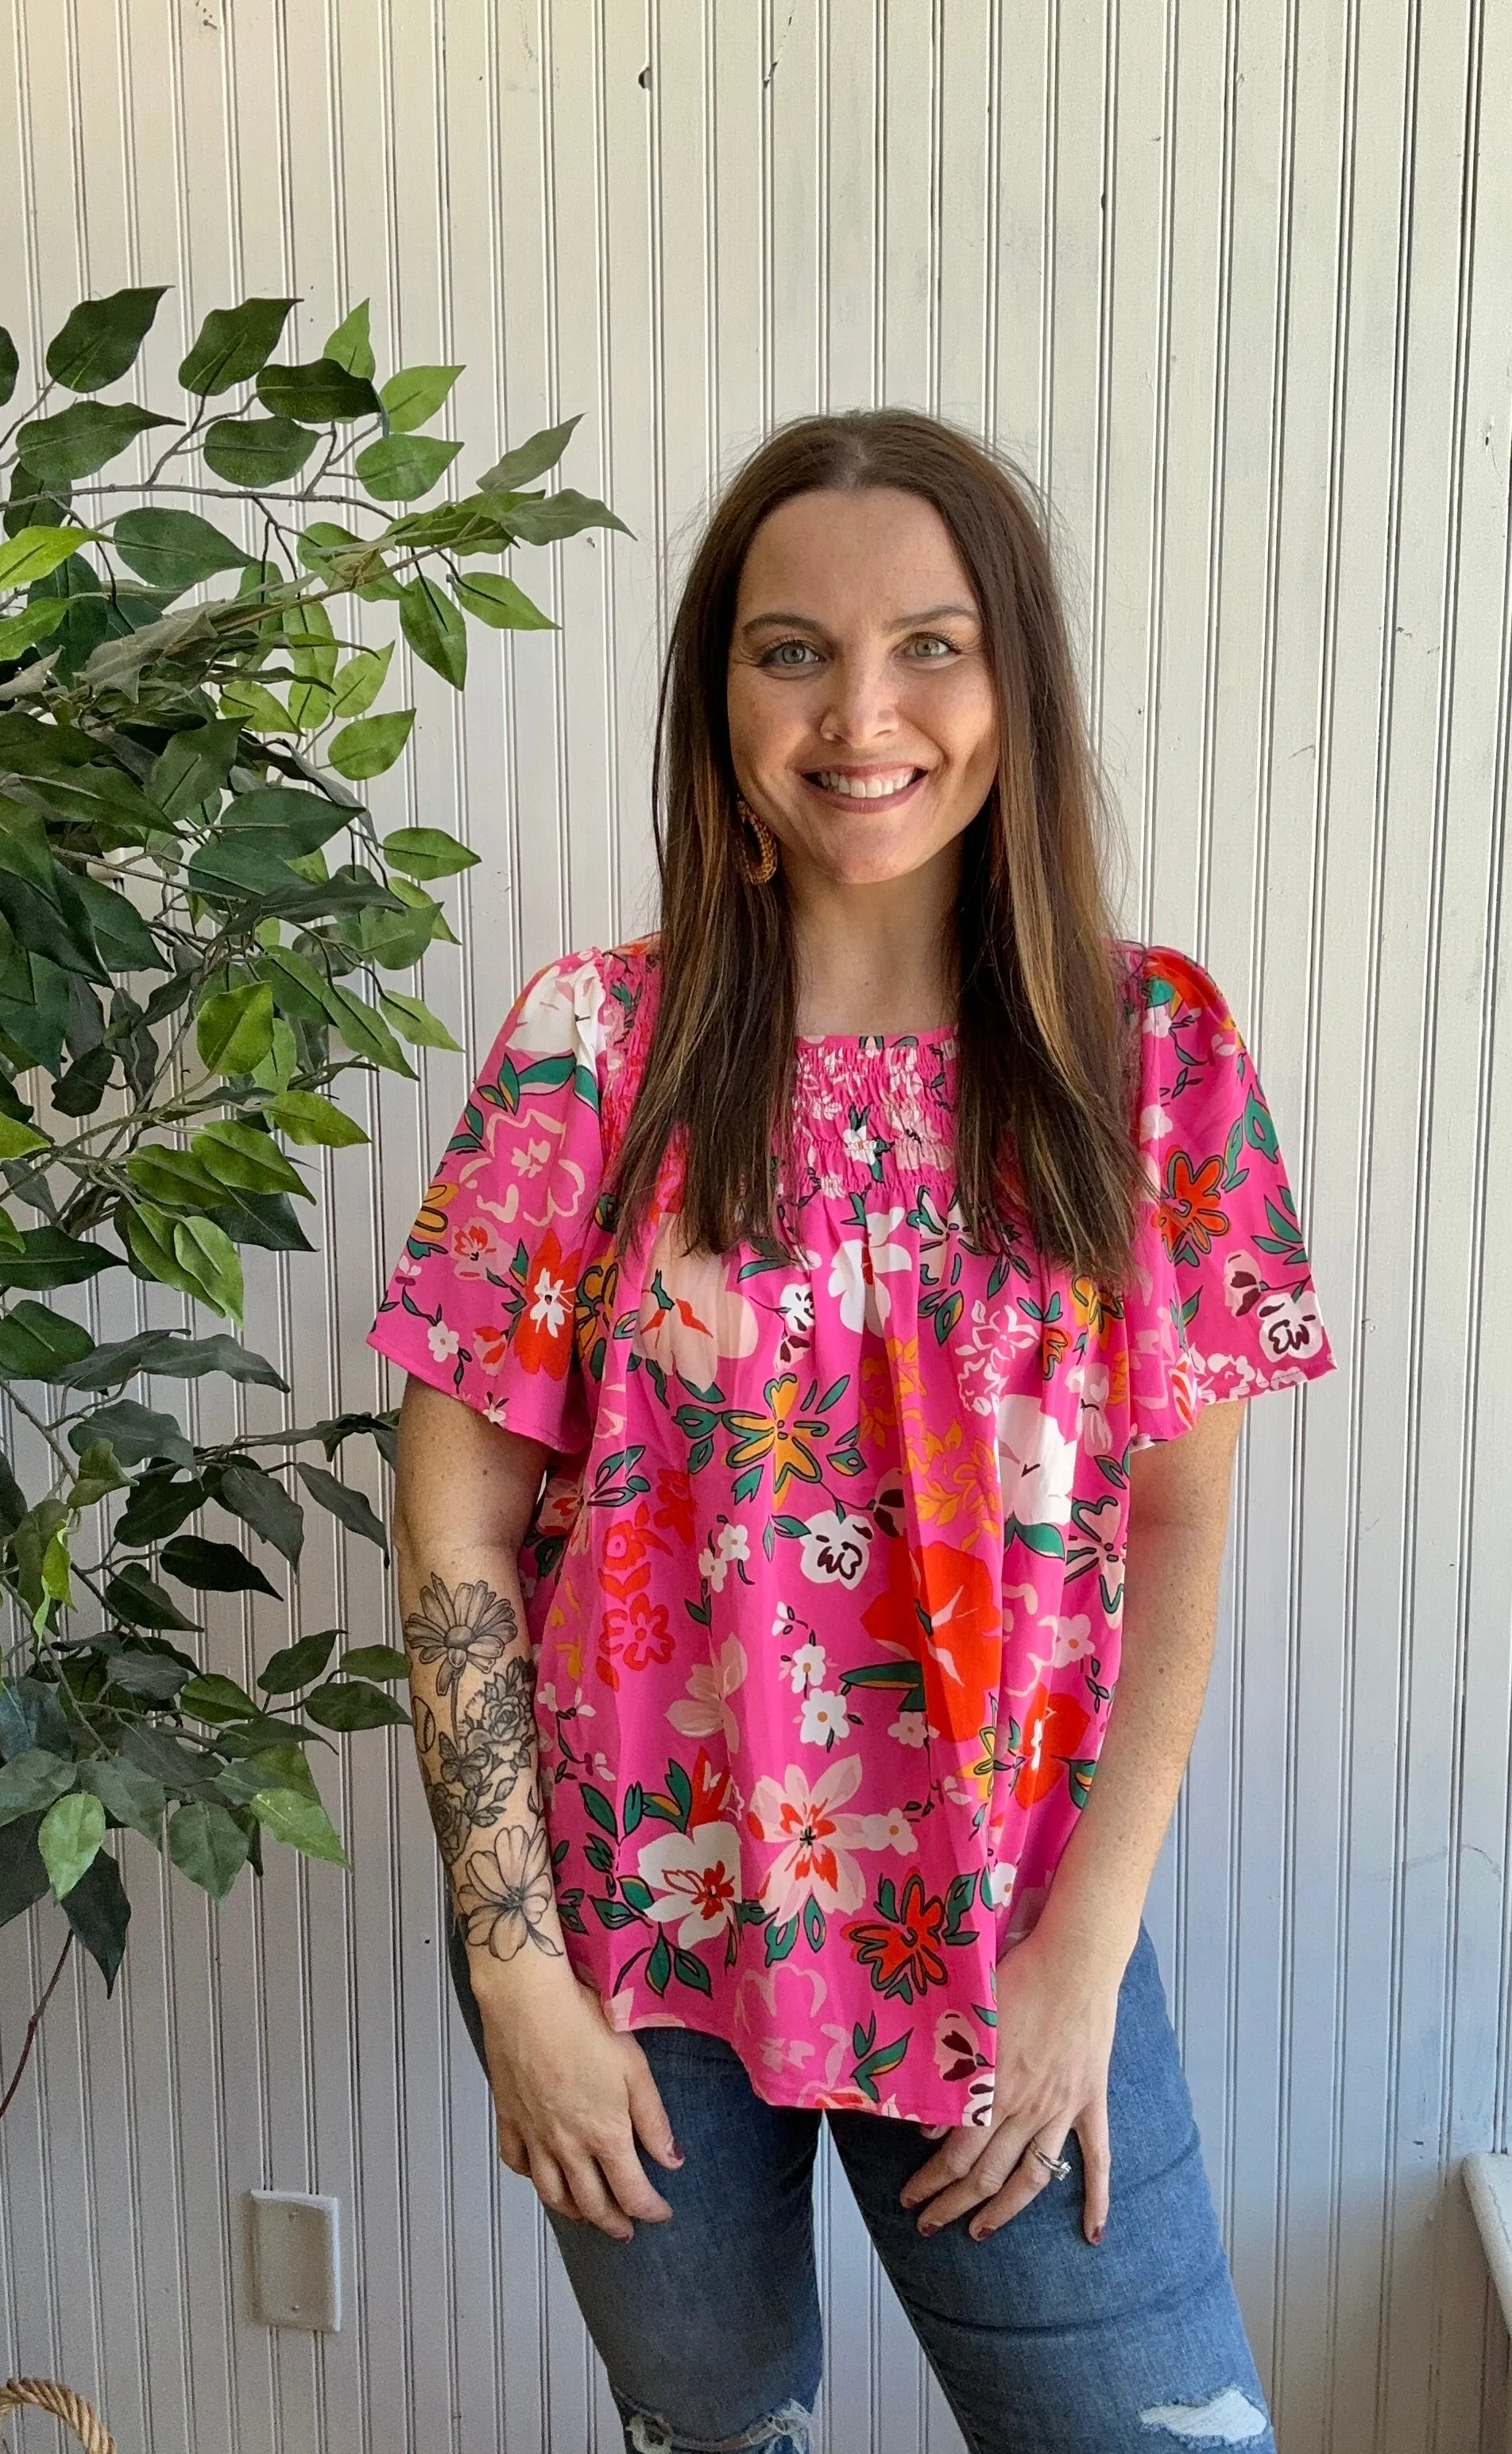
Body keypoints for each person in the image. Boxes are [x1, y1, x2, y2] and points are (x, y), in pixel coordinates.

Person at [369, 408, 1337, 2454]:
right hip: (634, 1948)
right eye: (792, 647)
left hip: (1011, 1931)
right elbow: (453, 1527)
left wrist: (1084, 1965)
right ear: (721, 697)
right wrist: (520, 1976)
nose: (863, 710)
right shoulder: (589, 1052)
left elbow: (1175, 1537)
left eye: (932, 643)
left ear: (1016, 688)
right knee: (717, 2436)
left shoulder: (1144, 1054)